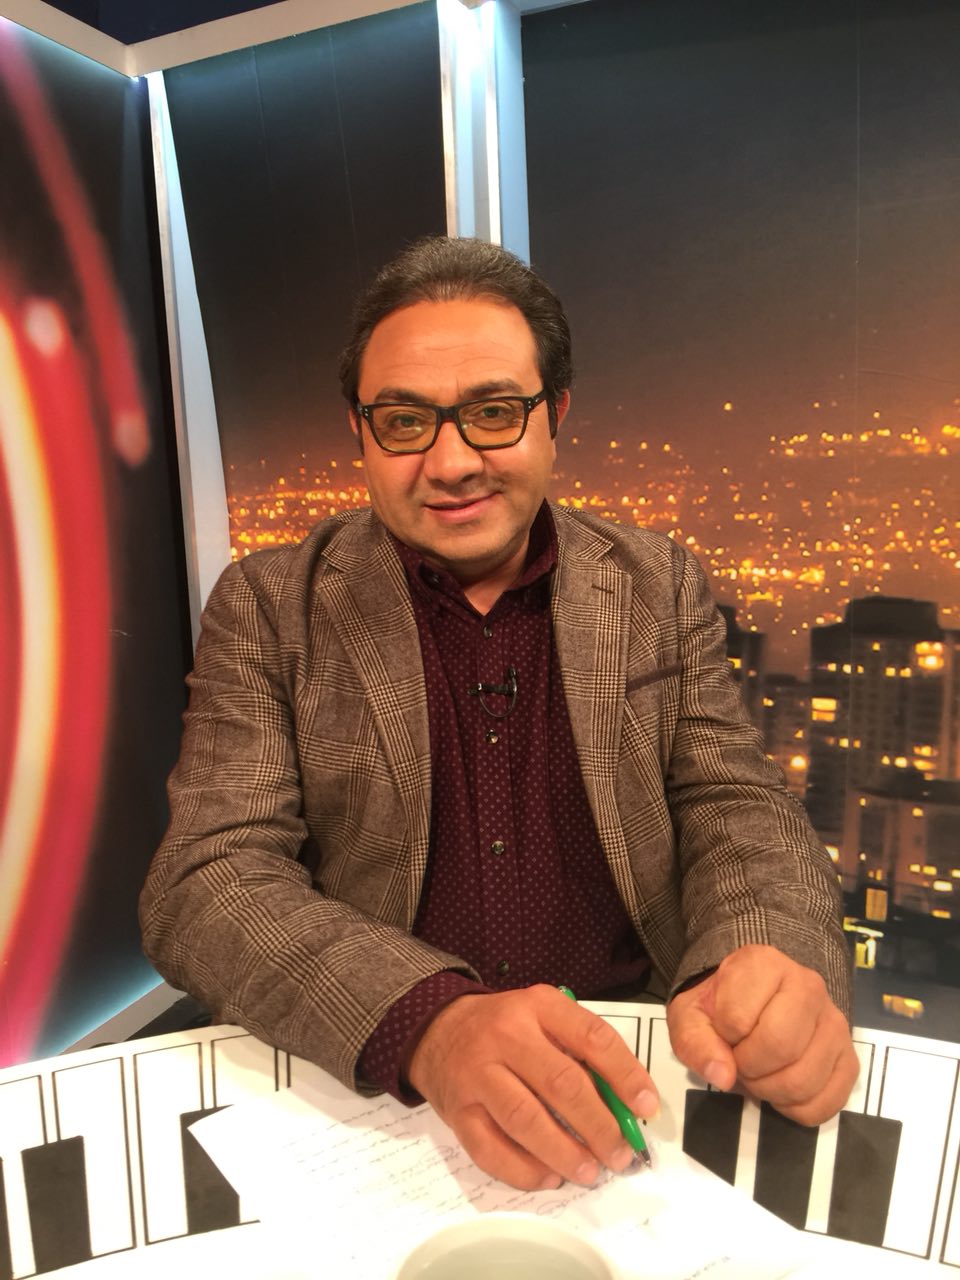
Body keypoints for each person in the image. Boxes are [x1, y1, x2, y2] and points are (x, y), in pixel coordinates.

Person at [140, 235, 858, 1193]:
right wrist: (431, 1022)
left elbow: (733, 803)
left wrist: (759, 957)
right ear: (360, 431)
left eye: (492, 413)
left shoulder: (656, 583)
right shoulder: (273, 605)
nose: (450, 462)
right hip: (381, 1093)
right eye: (405, 421)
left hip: (634, 1069)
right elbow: (207, 876)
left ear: (555, 415)